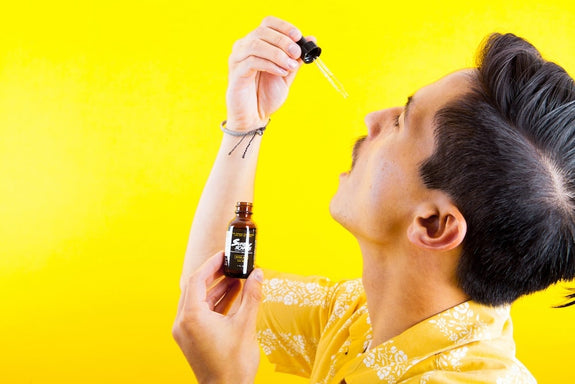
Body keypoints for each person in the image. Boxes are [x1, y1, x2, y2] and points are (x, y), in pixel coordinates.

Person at [172, 15, 575, 383]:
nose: (373, 119)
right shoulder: (359, 318)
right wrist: (247, 124)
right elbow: (212, 295)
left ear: (434, 224)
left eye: (402, 121)